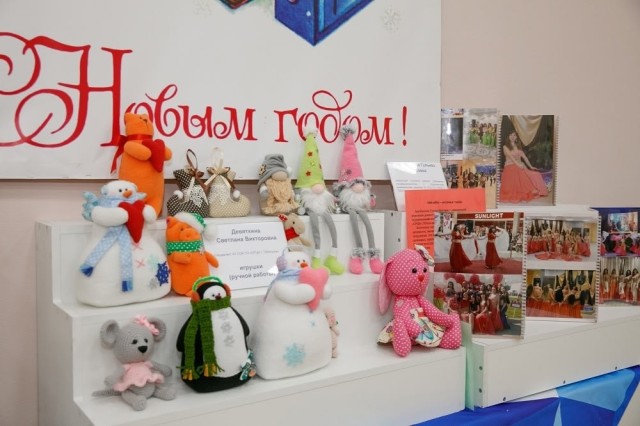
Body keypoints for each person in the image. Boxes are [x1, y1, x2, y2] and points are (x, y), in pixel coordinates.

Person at [499, 130, 549, 203]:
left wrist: (531, 166)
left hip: (520, 166)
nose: (512, 137)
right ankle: (528, 190)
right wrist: (518, 164)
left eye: (514, 135)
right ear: (508, 136)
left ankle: (537, 191)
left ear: (516, 137)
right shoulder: (505, 146)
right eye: (511, 135)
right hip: (510, 166)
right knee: (518, 170)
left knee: (536, 174)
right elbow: (511, 157)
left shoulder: (518, 146)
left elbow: (525, 158)